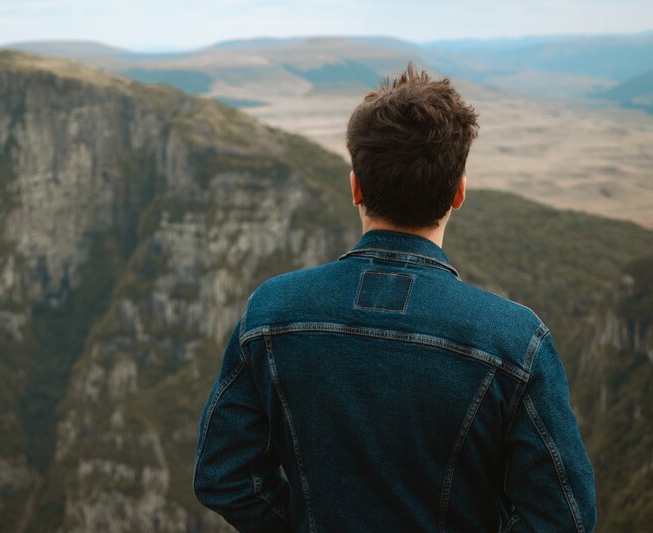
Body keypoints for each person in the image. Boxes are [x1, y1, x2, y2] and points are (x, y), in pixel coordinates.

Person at [192, 63, 597, 532]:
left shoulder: (270, 313)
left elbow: (224, 476)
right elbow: (563, 518)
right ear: (459, 192)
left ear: (356, 187)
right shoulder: (516, 342)